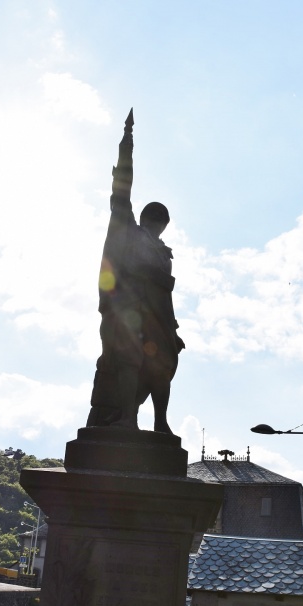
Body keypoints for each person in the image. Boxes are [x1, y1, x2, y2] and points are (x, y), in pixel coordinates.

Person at [86, 109, 185, 434]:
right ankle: (128, 417)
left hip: (157, 316)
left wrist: (172, 328)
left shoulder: (163, 252)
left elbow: (165, 293)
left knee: (162, 364)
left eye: (161, 223)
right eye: (156, 220)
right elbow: (121, 194)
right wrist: (126, 148)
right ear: (146, 219)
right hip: (127, 309)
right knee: (129, 358)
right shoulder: (128, 230)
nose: (158, 225)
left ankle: (160, 423)